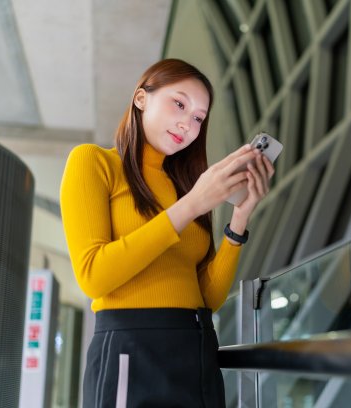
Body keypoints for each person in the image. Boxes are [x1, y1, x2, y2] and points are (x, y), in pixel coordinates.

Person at [60, 58, 274, 407]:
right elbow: (93, 276)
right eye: (179, 103)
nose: (187, 124)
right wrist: (192, 204)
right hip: (132, 347)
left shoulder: (185, 188)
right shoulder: (94, 162)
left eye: (198, 117)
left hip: (198, 346)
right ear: (141, 99)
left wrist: (240, 217)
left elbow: (206, 298)